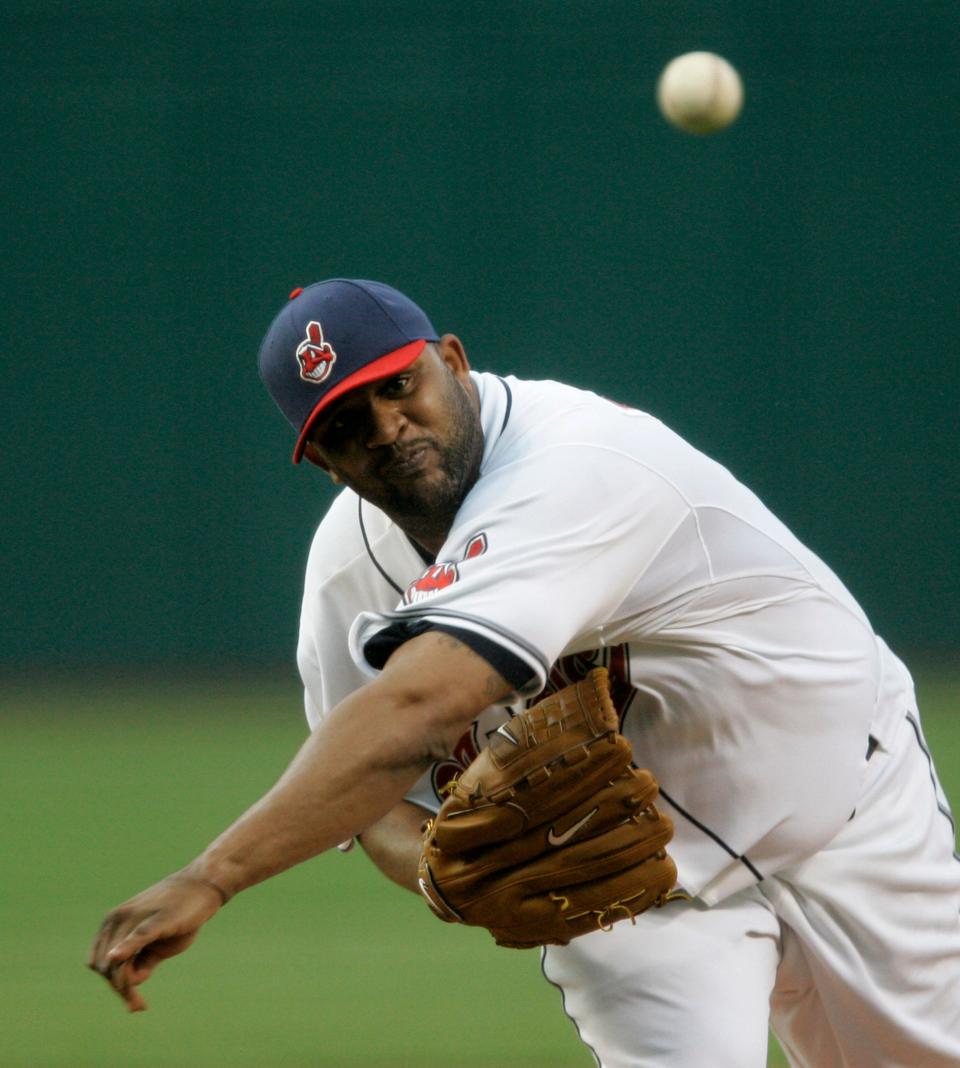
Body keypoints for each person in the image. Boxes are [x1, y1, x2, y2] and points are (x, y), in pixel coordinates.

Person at [90, 279, 960, 1067]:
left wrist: (214, 875)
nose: (389, 427)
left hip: (845, 805)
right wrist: (439, 869)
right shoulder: (345, 570)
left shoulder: (577, 460)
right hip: (629, 886)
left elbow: (423, 701)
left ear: (454, 363)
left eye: (400, 385)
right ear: (322, 460)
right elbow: (369, 792)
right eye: (348, 423)